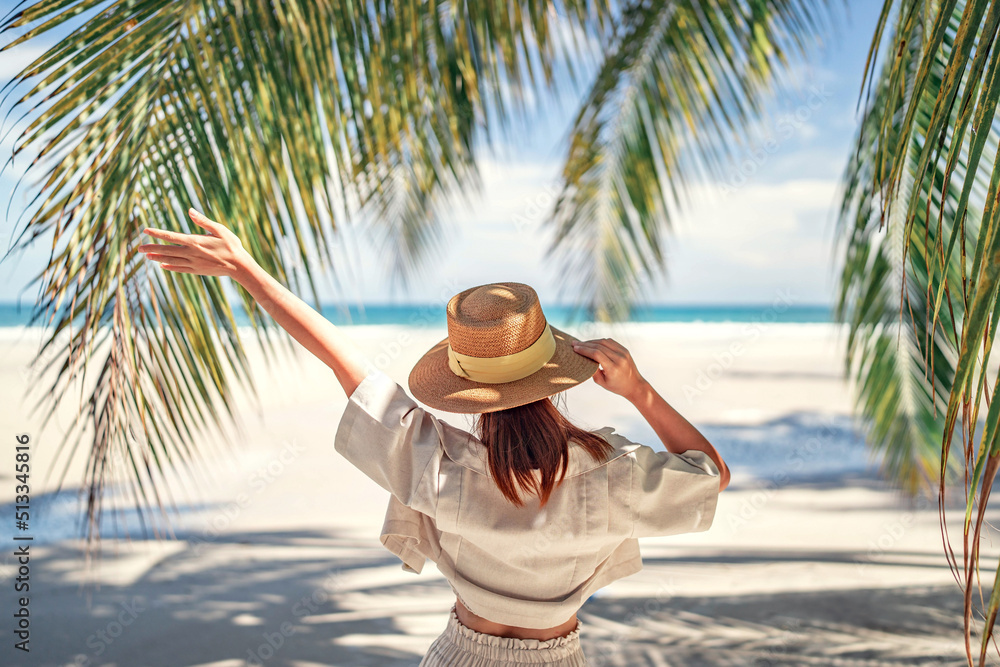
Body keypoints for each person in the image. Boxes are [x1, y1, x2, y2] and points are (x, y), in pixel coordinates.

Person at [139, 208, 732, 666]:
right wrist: (639, 390)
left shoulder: (436, 461)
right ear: (554, 375)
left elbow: (342, 362)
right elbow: (711, 474)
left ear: (464, 386)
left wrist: (246, 269)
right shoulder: (611, 473)